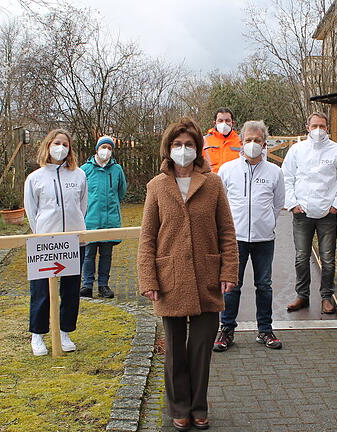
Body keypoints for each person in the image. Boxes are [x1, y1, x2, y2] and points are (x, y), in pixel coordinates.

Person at [137, 117, 238, 431]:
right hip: (171, 277)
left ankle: (198, 405)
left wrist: (229, 271)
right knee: (175, 347)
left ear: (198, 148)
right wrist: (148, 278)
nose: (183, 150)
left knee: (201, 349)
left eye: (189, 145)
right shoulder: (157, 186)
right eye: (177, 145)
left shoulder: (213, 183)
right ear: (169, 149)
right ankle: (178, 405)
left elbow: (227, 232)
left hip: (208, 276)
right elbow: (148, 237)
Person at [214, 120, 285, 352]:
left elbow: (278, 204)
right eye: (248, 140)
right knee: (232, 285)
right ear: (241, 143)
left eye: (257, 140)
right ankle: (226, 330)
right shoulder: (227, 170)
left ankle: (265, 329)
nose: (252, 144)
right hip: (235, 239)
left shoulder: (275, 172)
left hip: (264, 238)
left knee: (264, 285)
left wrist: (267, 223)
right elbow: (221, 204)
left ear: (264, 143)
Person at [282, 112, 337, 314]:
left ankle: (326, 297)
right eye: (315, 126)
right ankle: (302, 295)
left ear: (328, 127)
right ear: (307, 127)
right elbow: (286, 177)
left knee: (328, 258)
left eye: (322, 126)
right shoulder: (297, 150)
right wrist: (293, 204)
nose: (318, 130)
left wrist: (336, 206)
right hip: (302, 212)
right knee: (301, 257)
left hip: (327, 214)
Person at [23, 129, 87, 356]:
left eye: (66, 144)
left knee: (70, 290)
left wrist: (75, 229)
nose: (61, 148)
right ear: (48, 145)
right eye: (57, 143)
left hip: (74, 241)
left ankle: (64, 332)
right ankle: (38, 335)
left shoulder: (79, 175)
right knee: (41, 290)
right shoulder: (35, 178)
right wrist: (43, 233)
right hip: (44, 242)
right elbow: (32, 211)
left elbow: (82, 206)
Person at [79, 135, 128, 299]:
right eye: (103, 147)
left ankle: (103, 285)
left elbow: (121, 191)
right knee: (88, 255)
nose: (106, 151)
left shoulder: (117, 170)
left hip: (110, 220)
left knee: (106, 255)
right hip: (90, 220)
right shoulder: (85, 170)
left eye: (109, 148)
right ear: (97, 149)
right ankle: (87, 285)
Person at [203, 107, 241, 173]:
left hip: (233, 181)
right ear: (215, 123)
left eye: (227, 120)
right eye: (220, 121)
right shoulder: (204, 141)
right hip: (211, 180)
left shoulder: (241, 142)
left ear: (233, 123)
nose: (224, 123)